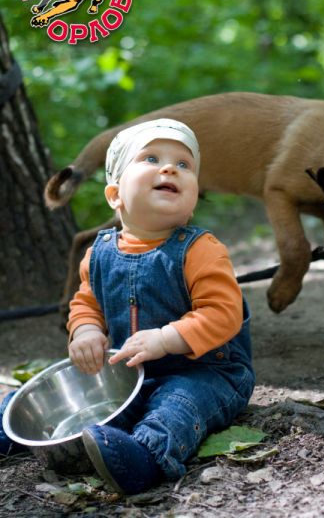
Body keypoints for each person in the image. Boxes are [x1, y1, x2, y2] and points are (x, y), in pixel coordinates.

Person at [1, 118, 255, 494]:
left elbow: (223, 314)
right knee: (75, 400)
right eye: (151, 158)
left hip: (204, 372)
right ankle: (12, 427)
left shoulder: (201, 250)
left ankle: (144, 458)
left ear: (192, 201)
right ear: (115, 195)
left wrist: (167, 338)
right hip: (130, 374)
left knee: (178, 407)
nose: (170, 168)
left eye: (184, 165)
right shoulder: (99, 253)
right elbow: (86, 303)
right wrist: (86, 331)